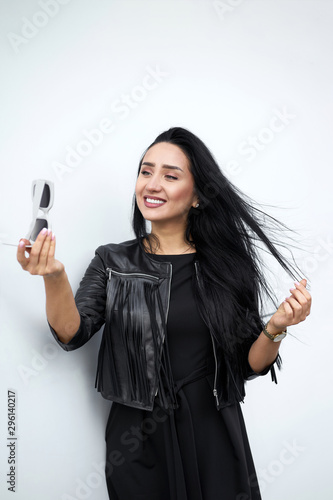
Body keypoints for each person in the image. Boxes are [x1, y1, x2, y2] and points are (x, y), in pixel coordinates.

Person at [17, 127, 312, 500]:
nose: (152, 184)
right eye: (145, 172)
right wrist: (54, 276)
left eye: (170, 176)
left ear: (198, 196)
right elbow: (70, 334)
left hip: (214, 431)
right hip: (137, 441)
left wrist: (276, 327)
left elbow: (247, 365)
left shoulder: (226, 266)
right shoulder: (112, 260)